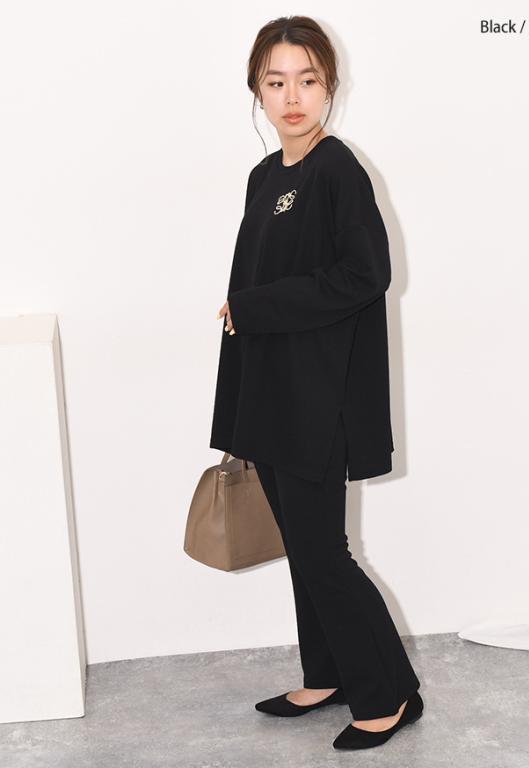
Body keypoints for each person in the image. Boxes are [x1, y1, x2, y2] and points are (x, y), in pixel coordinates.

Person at [210, 15, 423, 750]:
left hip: (319, 396)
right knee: (304, 548)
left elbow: (367, 275)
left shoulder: (339, 170)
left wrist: (256, 308)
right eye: (277, 82)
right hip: (270, 391)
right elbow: (252, 285)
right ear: (257, 90)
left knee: (324, 551)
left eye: (307, 80)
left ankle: (389, 692)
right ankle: (329, 672)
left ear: (331, 86)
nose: (292, 96)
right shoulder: (265, 175)